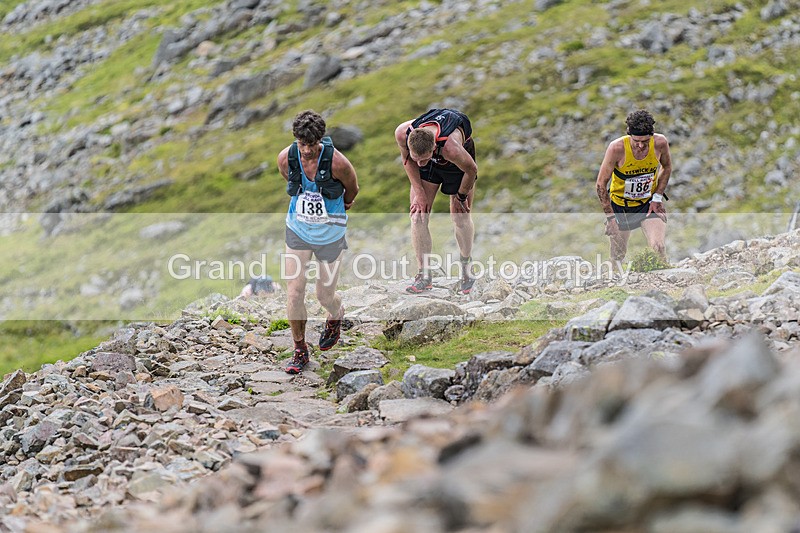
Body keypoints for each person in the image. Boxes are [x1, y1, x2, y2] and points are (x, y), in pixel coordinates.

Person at [279, 110, 359, 374]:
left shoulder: (338, 163)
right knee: (294, 291)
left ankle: (335, 315)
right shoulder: (287, 158)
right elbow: (287, 177)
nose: (306, 151)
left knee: (323, 295)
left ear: (320, 141)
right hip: (298, 229)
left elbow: (353, 189)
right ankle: (300, 349)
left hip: (330, 235)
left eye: (311, 145)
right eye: (301, 144)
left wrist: (339, 206)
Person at [394, 108, 478, 294]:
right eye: (419, 160)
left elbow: (472, 170)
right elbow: (407, 160)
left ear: (433, 148)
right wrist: (419, 192)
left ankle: (466, 268)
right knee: (418, 215)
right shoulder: (403, 133)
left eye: (424, 160)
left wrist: (461, 196)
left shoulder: (451, 148)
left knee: (460, 216)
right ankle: (424, 275)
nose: (420, 164)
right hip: (432, 160)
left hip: (458, 167)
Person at [596, 109, 673, 264]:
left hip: (647, 204)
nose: (640, 145)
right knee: (618, 255)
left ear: (652, 134)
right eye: (636, 141)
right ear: (628, 134)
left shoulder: (660, 143)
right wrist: (610, 217)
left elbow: (667, 167)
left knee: (658, 247)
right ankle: (615, 285)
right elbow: (601, 184)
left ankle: (663, 283)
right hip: (620, 207)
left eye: (645, 142)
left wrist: (657, 197)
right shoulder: (616, 148)